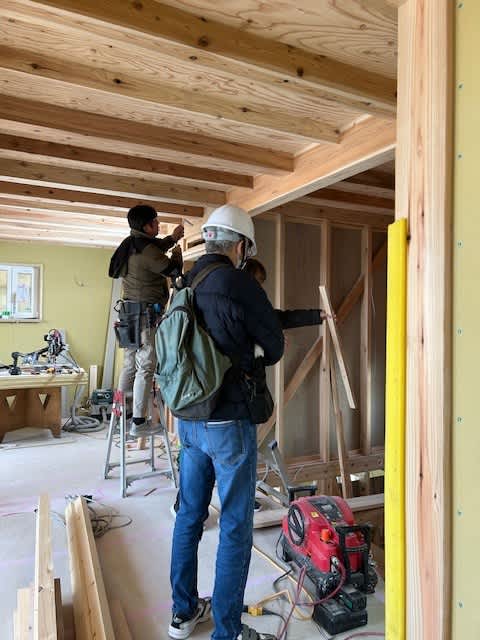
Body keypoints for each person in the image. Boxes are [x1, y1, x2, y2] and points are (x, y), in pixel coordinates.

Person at [169, 205, 284, 640]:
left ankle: (182, 614)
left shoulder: (186, 282)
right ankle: (228, 631)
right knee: (235, 525)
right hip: (229, 423)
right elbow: (273, 346)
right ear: (240, 246)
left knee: (189, 516)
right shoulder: (239, 283)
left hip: (188, 420)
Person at [109, 204, 184, 437]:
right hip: (144, 316)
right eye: (155, 221)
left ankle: (120, 417)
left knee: (129, 365)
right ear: (146, 226)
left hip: (129, 314)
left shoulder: (131, 243)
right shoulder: (147, 252)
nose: (158, 224)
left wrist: (172, 239)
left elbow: (154, 247)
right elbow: (173, 270)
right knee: (146, 367)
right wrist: (177, 253)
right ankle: (139, 423)